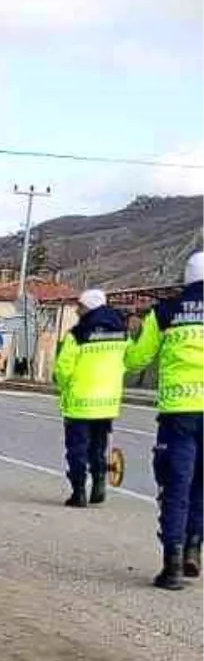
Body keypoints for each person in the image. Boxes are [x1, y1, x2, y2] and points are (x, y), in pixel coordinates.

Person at [124, 250, 204, 589]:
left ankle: (171, 565)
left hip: (179, 413)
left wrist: (133, 335)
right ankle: (193, 548)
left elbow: (136, 361)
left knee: (176, 487)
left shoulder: (165, 311)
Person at [51, 286, 127, 507]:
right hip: (107, 403)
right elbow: (129, 358)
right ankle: (99, 484)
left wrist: (65, 387)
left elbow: (64, 368)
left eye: (80, 307)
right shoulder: (121, 331)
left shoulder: (78, 334)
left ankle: (79, 493)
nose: (77, 311)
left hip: (80, 402)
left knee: (77, 449)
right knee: (98, 446)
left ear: (89, 308)